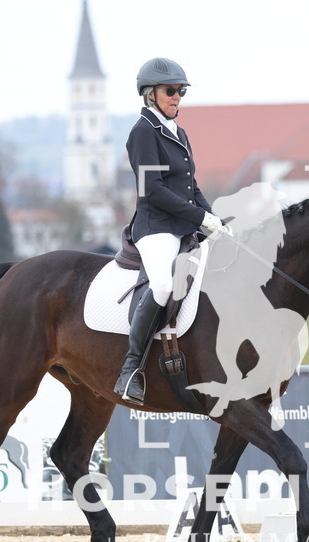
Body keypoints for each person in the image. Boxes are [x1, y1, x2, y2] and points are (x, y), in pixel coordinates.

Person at [114, 57, 227, 405]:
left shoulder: (179, 132)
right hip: (156, 227)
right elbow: (153, 191)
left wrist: (214, 219)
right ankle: (131, 368)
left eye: (181, 91)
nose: (177, 97)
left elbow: (191, 188)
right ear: (150, 94)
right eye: (171, 91)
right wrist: (199, 218)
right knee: (163, 284)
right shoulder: (143, 132)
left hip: (183, 224)